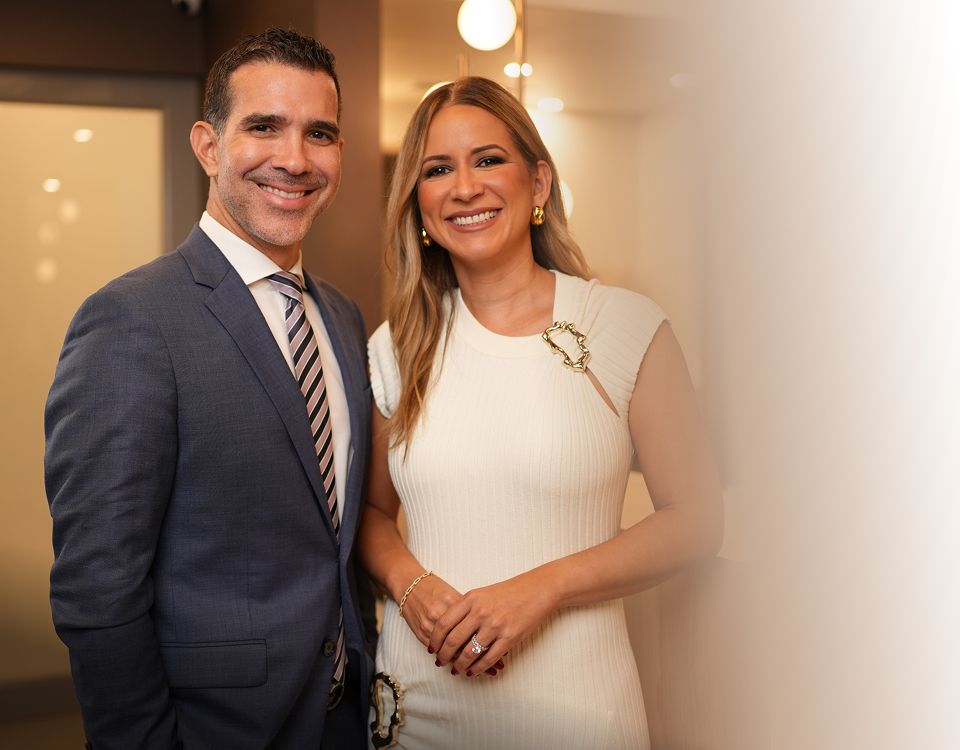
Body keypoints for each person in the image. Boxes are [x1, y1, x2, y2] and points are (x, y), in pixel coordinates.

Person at [359, 76, 725, 749]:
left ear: (539, 184)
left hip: (578, 709)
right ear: (418, 205)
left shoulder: (625, 327)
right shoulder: (395, 347)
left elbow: (696, 518)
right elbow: (374, 517)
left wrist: (543, 589)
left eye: (489, 159)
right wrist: (411, 585)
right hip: (421, 705)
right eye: (437, 169)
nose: (464, 187)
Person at [44, 29, 374, 749]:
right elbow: (98, 588)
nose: (294, 158)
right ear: (208, 145)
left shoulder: (343, 318)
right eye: (264, 127)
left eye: (320, 133)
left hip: (346, 722)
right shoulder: (132, 318)